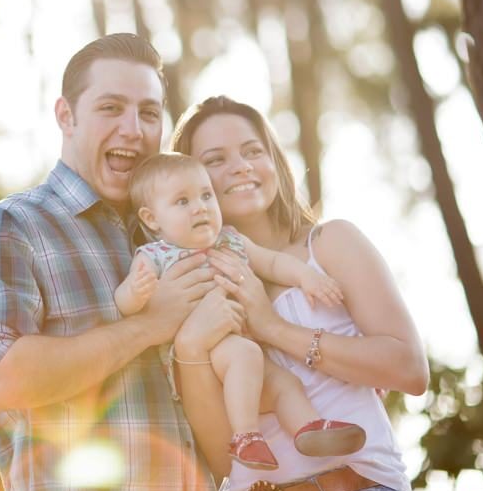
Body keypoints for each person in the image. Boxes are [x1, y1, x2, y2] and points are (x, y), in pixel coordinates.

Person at [0, 34, 242, 491]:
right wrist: (148, 325)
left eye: (149, 112)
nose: (134, 129)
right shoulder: (11, 228)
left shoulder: (179, 232)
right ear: (66, 115)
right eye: (111, 108)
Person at [168, 96, 428, 491]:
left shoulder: (328, 246)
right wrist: (193, 349)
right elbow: (220, 460)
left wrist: (272, 328)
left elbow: (409, 369)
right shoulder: (189, 288)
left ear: (275, 161)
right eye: (216, 160)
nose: (241, 166)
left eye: (253, 151)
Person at [115, 152, 365, 472]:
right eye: (182, 201)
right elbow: (124, 303)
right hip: (205, 355)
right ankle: (246, 436)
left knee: (284, 383)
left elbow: (272, 262)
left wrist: (307, 276)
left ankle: (309, 428)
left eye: (206, 195)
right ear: (152, 219)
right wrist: (135, 292)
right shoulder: (155, 256)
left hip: (244, 349)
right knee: (247, 355)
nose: (200, 206)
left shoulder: (230, 240)